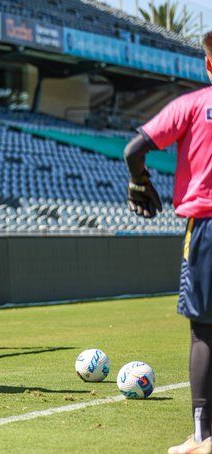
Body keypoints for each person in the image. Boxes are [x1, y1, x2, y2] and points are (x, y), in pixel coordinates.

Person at [124, 31, 212, 454]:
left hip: (207, 224)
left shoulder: (191, 105)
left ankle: (203, 436)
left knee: (205, 331)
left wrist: (140, 182)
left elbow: (133, 149)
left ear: (209, 65)